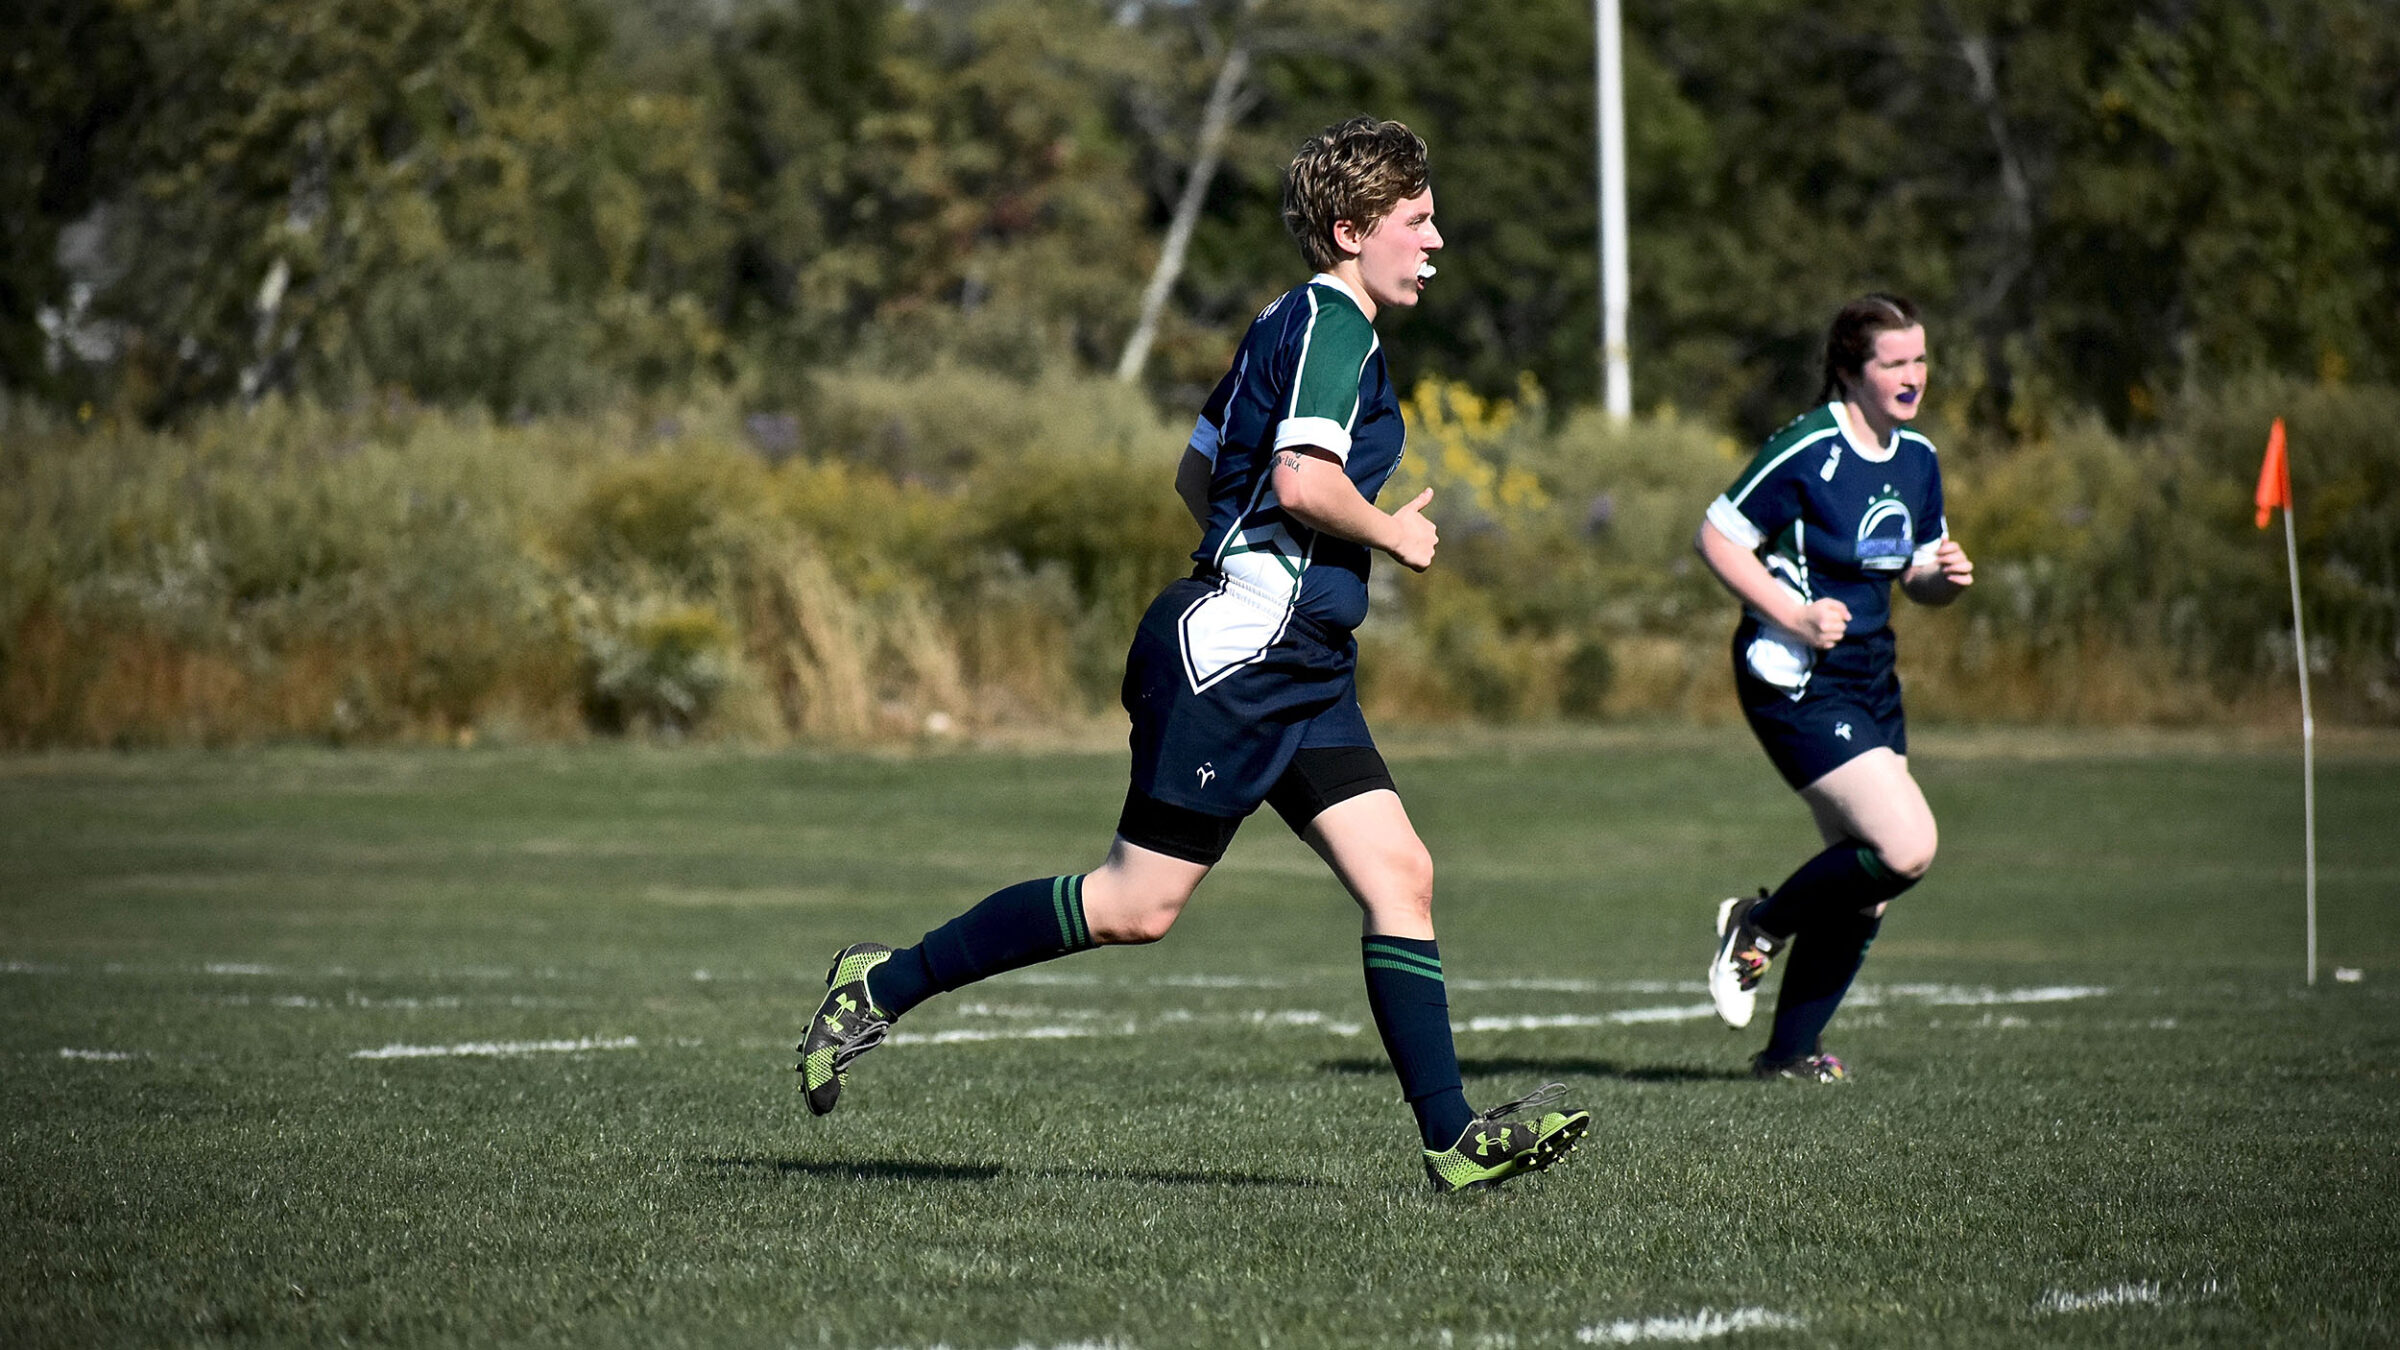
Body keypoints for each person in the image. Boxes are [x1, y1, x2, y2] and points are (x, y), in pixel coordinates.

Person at [798, 117, 1589, 1193]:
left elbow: (1197, 471)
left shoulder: (1282, 322)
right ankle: (881, 982)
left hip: (1297, 659)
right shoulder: (1333, 326)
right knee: (1136, 905)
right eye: (1416, 220)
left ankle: (1450, 1140)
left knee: (1401, 871)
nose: (1437, 238)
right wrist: (1391, 533)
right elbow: (1306, 481)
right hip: (1240, 659)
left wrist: (1269, 554)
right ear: (1353, 230)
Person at [1695, 293, 1975, 1081]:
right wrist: (1791, 611)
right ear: (1852, 370)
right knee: (1906, 846)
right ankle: (1760, 924)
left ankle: (1787, 1055)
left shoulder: (1916, 458)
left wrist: (1943, 579)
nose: (1913, 376)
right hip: (1794, 678)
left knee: (1867, 887)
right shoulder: (1807, 447)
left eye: (1920, 359)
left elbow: (1914, 573)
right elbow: (1716, 536)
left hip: (1871, 678)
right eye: (1895, 363)